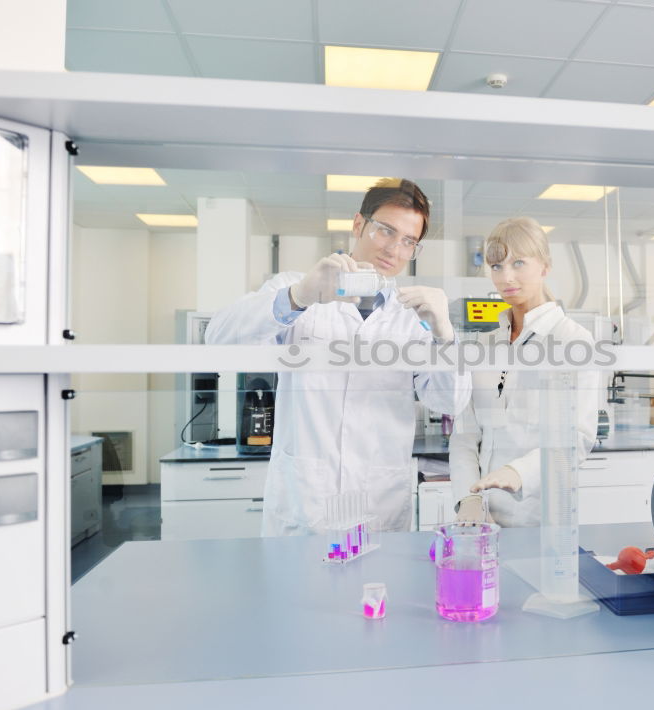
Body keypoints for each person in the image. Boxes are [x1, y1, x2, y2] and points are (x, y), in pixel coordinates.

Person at [206, 178, 471, 535]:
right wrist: (299, 296)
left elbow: (450, 400)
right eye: (385, 231)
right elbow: (218, 339)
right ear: (358, 224)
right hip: (305, 502)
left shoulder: (411, 317)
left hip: (378, 505)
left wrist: (445, 334)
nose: (394, 249)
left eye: (409, 241)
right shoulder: (298, 289)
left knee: (377, 589)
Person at [449, 217, 598, 527]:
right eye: (496, 266)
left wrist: (518, 473)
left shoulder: (572, 340)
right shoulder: (485, 343)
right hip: (483, 518)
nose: (507, 277)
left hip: (541, 516)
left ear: (544, 266)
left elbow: (577, 439)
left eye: (518, 263)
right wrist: (469, 498)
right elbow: (465, 434)